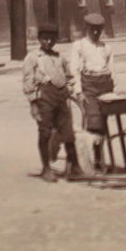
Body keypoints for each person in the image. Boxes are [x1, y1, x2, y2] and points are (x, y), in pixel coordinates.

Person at [22, 28, 79, 182]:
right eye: (45, 39)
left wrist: (72, 92)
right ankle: (46, 168)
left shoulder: (60, 57)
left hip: (61, 97)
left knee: (68, 133)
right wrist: (33, 105)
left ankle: (75, 166)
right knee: (45, 132)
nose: (48, 42)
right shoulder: (33, 57)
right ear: (39, 39)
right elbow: (28, 82)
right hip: (44, 98)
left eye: (51, 39)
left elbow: (69, 77)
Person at [63, 12, 114, 174]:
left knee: (103, 124)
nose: (96, 32)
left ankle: (99, 158)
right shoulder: (79, 46)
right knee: (94, 123)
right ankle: (91, 162)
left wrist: (112, 90)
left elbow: (111, 70)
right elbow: (74, 70)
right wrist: (79, 91)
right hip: (89, 86)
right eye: (93, 29)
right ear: (87, 28)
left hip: (104, 85)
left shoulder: (106, 48)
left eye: (99, 29)